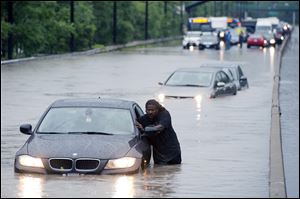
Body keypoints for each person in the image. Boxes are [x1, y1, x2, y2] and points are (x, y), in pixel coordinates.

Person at [135, 99, 182, 165]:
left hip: (172, 151)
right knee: (159, 173)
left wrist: (144, 129)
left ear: (157, 110)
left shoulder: (164, 115)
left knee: (174, 171)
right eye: (148, 110)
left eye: (152, 110)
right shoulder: (144, 119)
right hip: (159, 154)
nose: (150, 112)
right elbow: (133, 122)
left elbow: (159, 128)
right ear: (145, 110)